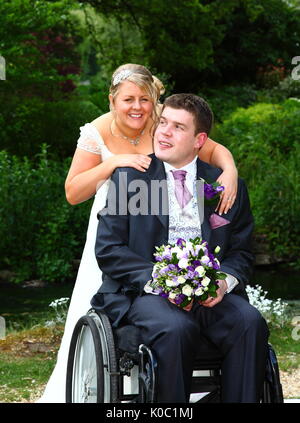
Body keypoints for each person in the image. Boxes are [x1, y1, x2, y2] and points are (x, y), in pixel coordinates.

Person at [38, 64, 238, 403]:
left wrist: (229, 169)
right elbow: (73, 192)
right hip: (116, 229)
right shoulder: (97, 131)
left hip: (161, 234)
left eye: (145, 99)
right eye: (128, 99)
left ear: (155, 99)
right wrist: (113, 163)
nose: (137, 107)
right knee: (107, 301)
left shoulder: (164, 125)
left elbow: (212, 148)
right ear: (113, 100)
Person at [91, 93, 269, 402]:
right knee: (176, 328)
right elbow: (109, 249)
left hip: (211, 295)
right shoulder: (130, 179)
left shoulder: (223, 185)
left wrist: (224, 281)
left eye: (178, 127)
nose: (164, 132)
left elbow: (241, 250)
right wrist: (161, 281)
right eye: (162, 123)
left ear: (199, 139)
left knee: (249, 322)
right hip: (148, 294)